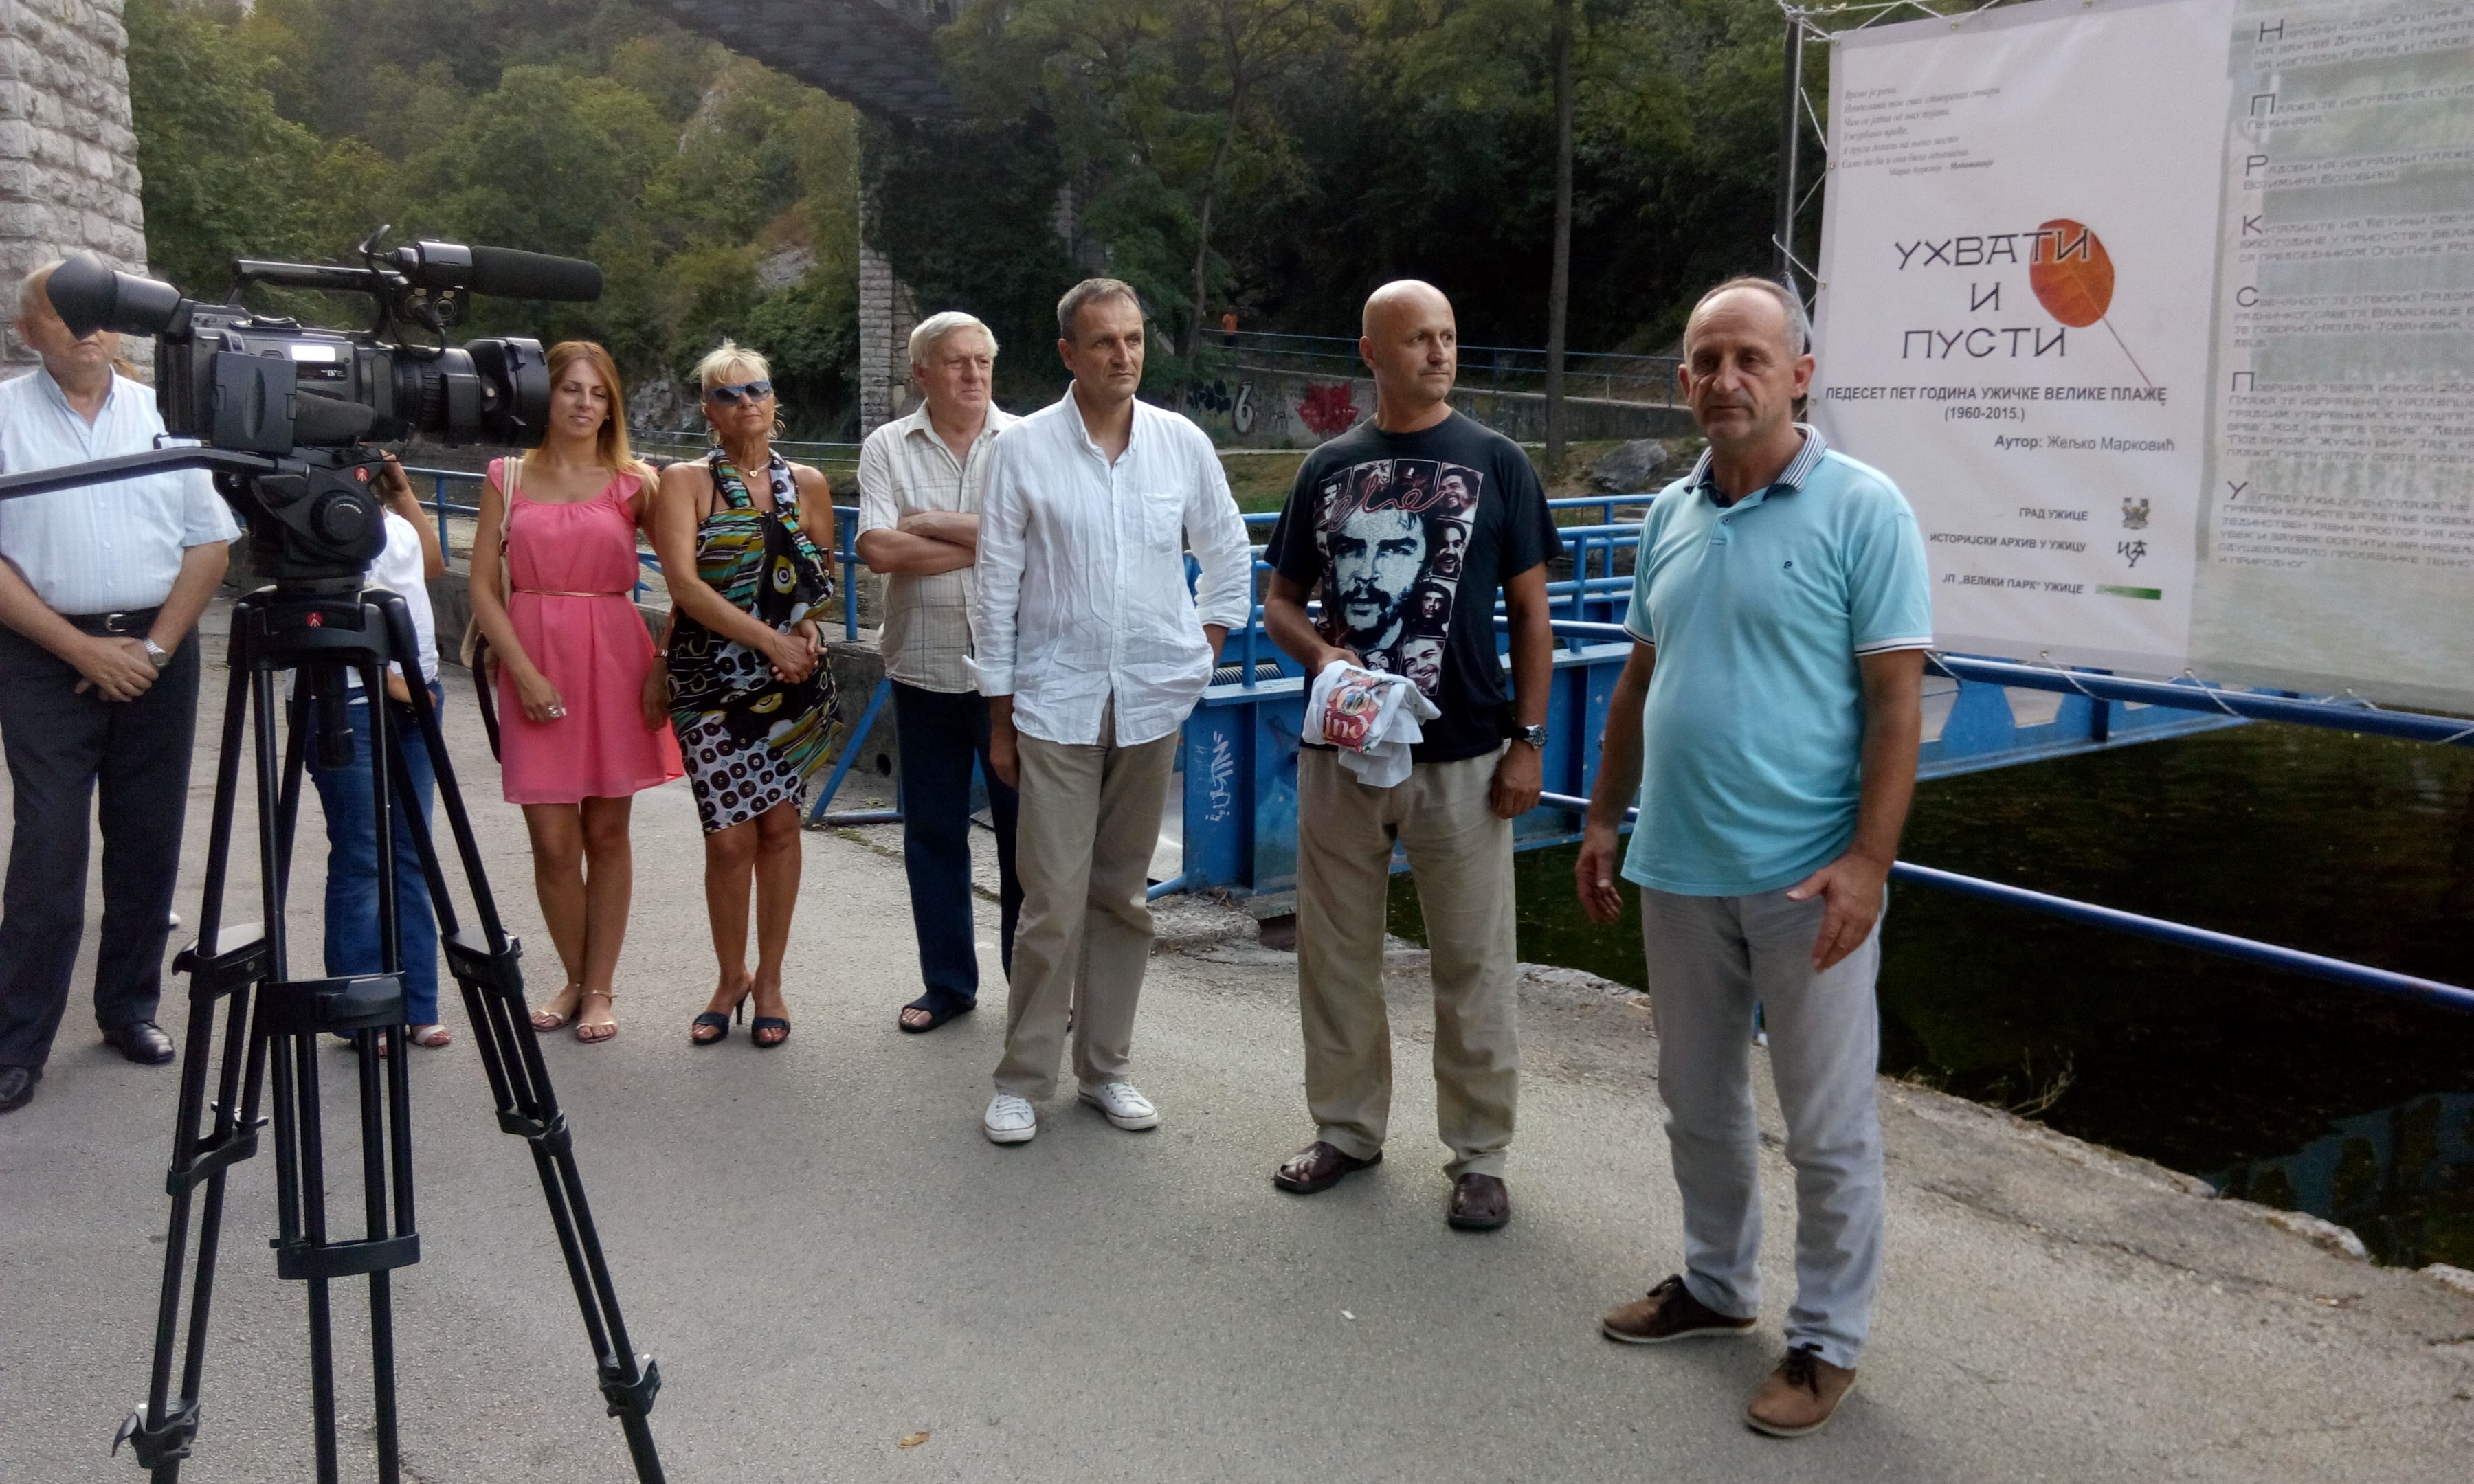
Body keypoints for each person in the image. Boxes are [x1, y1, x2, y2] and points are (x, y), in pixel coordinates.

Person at [1574, 276, 1930, 1439]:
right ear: (1684, 381)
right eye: (1707, 361)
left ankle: (1826, 1340)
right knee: (1696, 1099)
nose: (1726, 380)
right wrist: (1603, 818)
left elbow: (1896, 705)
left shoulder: (1866, 510)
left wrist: (1869, 863)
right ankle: (1718, 1285)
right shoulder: (1669, 514)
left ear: (1801, 376)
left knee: (1826, 1124)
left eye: (1751, 359)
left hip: (1806, 875)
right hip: (1680, 863)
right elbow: (1639, 680)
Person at [1260, 280, 1557, 1230]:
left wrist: (1527, 741)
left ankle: (1480, 1155)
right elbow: (1280, 603)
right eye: (1419, 338)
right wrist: (1321, 657)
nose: (1439, 353)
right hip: (1342, 754)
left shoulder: (1498, 462)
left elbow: (1533, 616)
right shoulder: (1327, 468)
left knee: (1473, 963)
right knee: (1336, 955)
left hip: (1463, 753)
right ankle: (1346, 1130)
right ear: (1371, 353)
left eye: (1448, 336)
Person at [971, 278, 1251, 1144]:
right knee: (1052, 899)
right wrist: (1000, 717)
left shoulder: (1180, 443)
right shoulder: (1021, 451)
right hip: (1054, 702)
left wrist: (1198, 654)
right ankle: (1023, 1078)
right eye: (1103, 341)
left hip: (1152, 700)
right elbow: (995, 587)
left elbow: (1228, 553)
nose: (1122, 356)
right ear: (1068, 353)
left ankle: (1106, 1070)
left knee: (1124, 898)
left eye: (1132, 339)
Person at [0, 260, 238, 1115]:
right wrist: (80, 650)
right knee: (49, 847)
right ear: (27, 331)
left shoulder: (166, 416)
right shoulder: (1, 417)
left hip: (156, 648)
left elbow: (209, 542)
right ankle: (15, 1041)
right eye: (63, 313)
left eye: (98, 312)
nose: (86, 327)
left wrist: (155, 648)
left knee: (147, 837)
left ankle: (129, 1009)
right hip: (41, 651)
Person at [467, 341, 682, 1044]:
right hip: (533, 657)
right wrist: (523, 672)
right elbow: (482, 588)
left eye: (598, 393)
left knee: (607, 832)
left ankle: (597, 988)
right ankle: (573, 973)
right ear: (546, 396)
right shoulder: (507, 476)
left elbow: (687, 578)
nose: (586, 404)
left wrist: (663, 662)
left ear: (610, 405)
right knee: (553, 842)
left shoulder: (636, 483)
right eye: (571, 390)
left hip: (615, 658)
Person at [652, 341, 839, 1049]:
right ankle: (730, 976)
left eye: (756, 389)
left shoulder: (808, 483)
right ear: (709, 411)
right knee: (729, 838)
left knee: (781, 829)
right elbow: (684, 585)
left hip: (787, 680)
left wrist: (807, 631)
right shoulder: (686, 482)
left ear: (773, 399)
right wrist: (770, 640)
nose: (745, 403)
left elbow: (818, 576)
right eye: (727, 394)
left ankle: (771, 982)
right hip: (709, 678)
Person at [855, 311, 1023, 1035]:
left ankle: (1034, 985)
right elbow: (878, 550)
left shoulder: (1027, 441)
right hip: (923, 666)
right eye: (957, 362)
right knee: (932, 835)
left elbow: (1041, 540)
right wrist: (993, 542)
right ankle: (949, 985)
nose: (974, 374)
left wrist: (925, 523)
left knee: (1027, 841)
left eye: (982, 360)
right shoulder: (888, 446)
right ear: (922, 372)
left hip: (1012, 675)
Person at [306, 451, 452, 1049]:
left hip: (417, 689)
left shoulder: (386, 514)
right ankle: (361, 1009)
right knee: (363, 855)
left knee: (412, 852)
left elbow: (433, 564)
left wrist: (401, 488)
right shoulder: (318, 511)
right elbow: (319, 600)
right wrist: (390, 678)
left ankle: (417, 1003)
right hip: (349, 693)